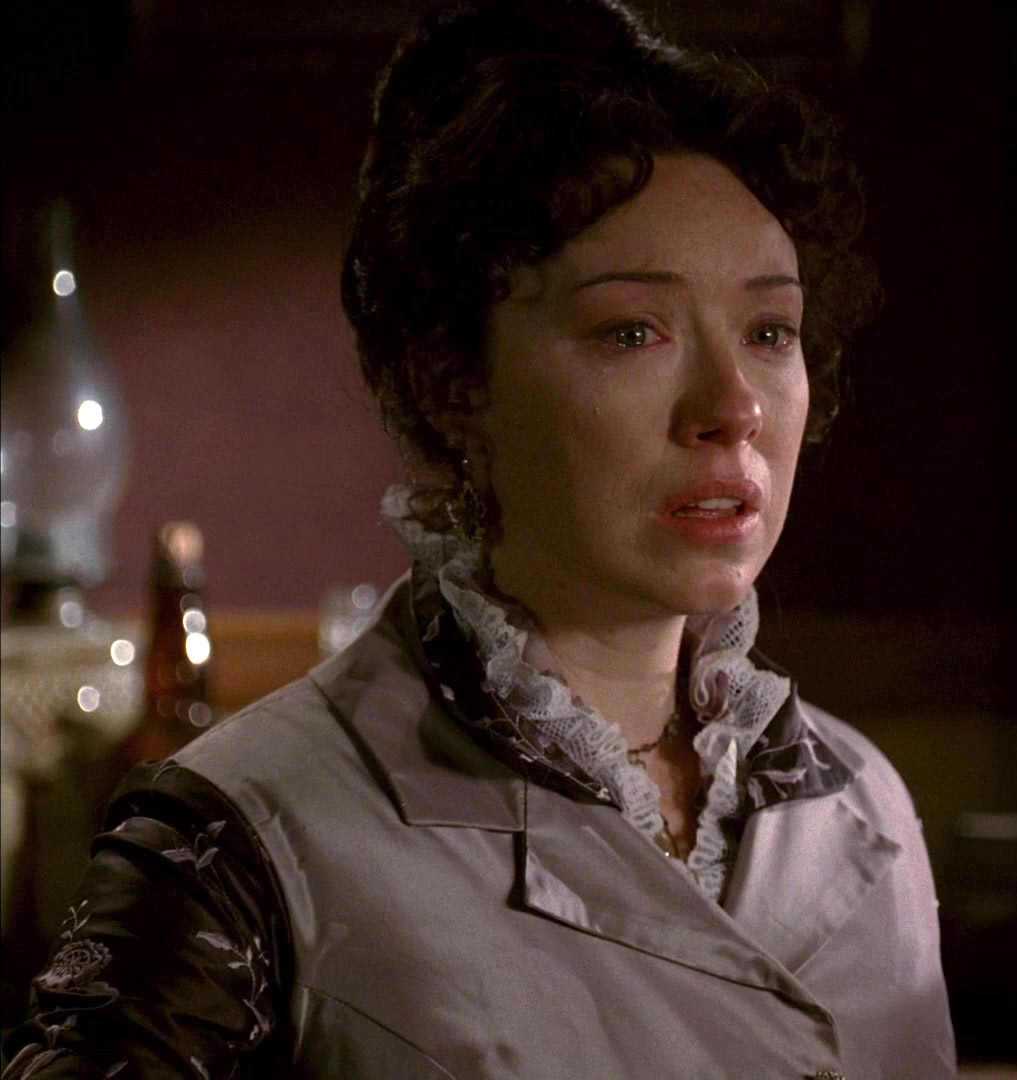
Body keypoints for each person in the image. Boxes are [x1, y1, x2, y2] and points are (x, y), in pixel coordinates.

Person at [3, 0, 956, 1076]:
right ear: (451, 381)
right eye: (633, 331)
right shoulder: (239, 835)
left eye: (770, 330)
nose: (732, 405)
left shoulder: (861, 801)